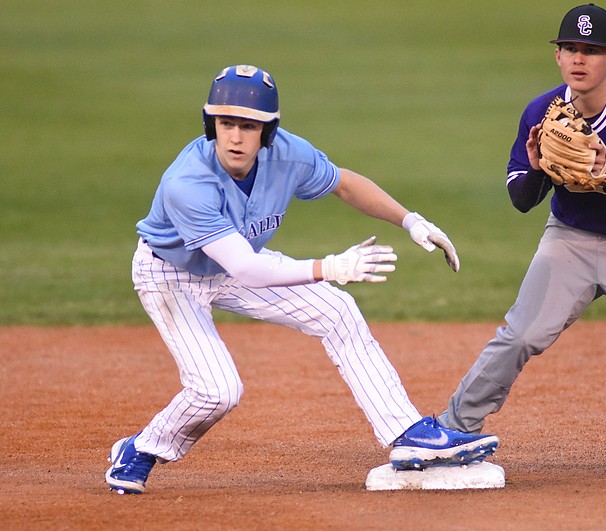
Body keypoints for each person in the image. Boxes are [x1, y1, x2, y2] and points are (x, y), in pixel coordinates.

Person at [105, 64, 498, 494]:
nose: (236, 137)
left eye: (249, 126)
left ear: (268, 131)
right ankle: (141, 447)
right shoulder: (188, 183)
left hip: (235, 259)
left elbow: (345, 184)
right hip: (170, 273)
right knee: (218, 391)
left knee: (338, 310)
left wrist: (410, 220)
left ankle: (406, 433)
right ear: (211, 124)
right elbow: (246, 269)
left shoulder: (289, 154)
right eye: (226, 123)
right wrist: (328, 267)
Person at [437, 4, 606, 472]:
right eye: (569, 48)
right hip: (571, 240)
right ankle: (454, 427)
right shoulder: (539, 114)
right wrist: (540, 170)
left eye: (591, 50)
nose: (579, 59)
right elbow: (522, 199)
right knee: (520, 334)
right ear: (558, 57)